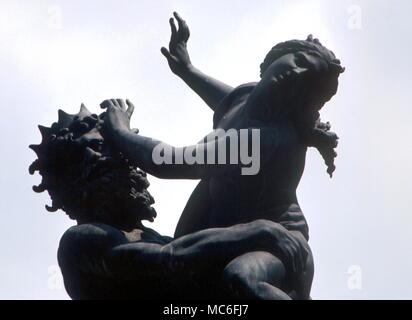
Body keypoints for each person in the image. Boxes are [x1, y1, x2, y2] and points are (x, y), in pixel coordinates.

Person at [97, 12, 344, 298]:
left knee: (241, 279)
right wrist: (187, 69)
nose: (296, 74)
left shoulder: (262, 138)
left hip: (278, 244)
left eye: (306, 81)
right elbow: (226, 103)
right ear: (281, 55)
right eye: (299, 61)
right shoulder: (248, 98)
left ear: (301, 100)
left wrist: (119, 131)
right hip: (227, 233)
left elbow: (172, 162)